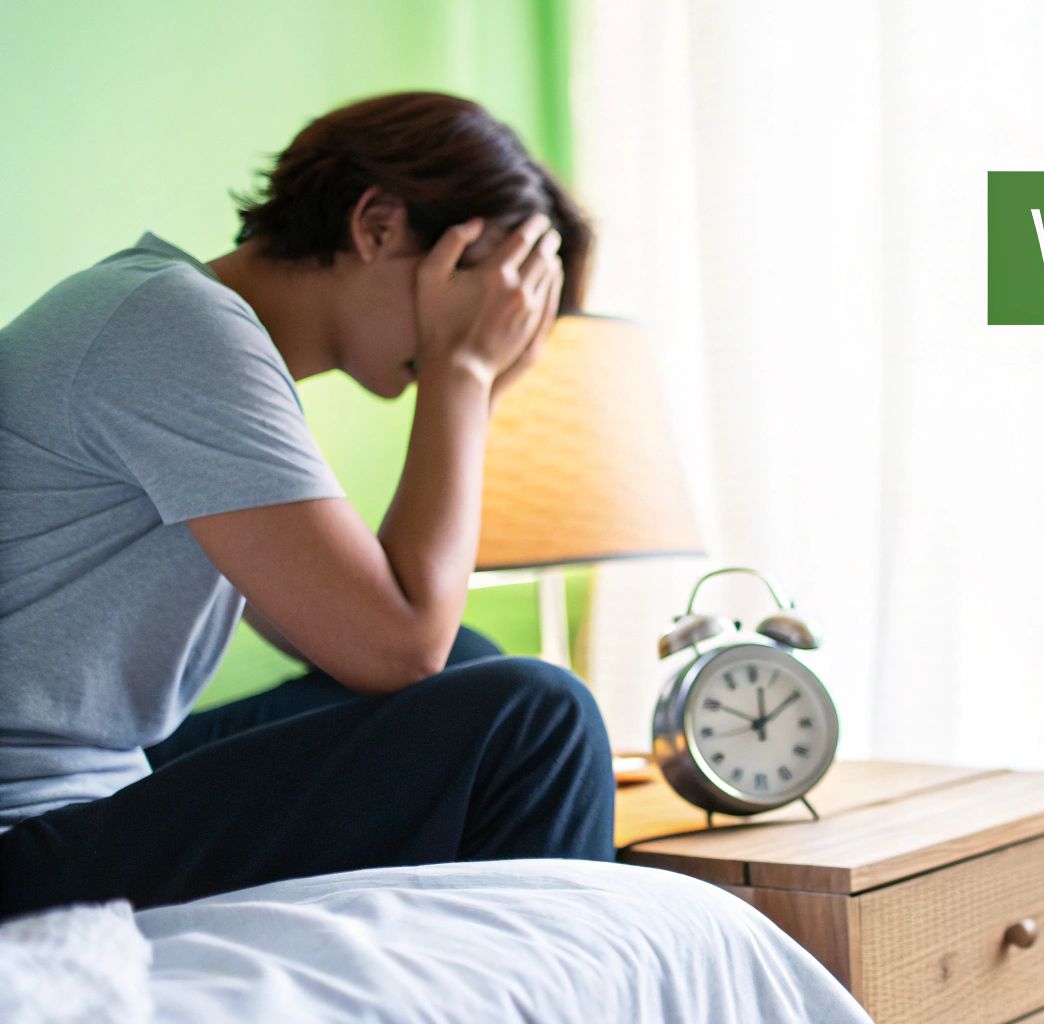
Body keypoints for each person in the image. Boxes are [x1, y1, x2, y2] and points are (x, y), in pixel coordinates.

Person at [0, 92, 617, 918]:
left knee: (473, 665)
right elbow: (395, 646)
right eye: (484, 291)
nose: (490, 332)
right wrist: (460, 378)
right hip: (24, 832)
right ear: (379, 225)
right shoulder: (175, 325)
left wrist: (468, 378)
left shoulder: (187, 327)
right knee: (538, 718)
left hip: (98, 779)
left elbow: (350, 640)